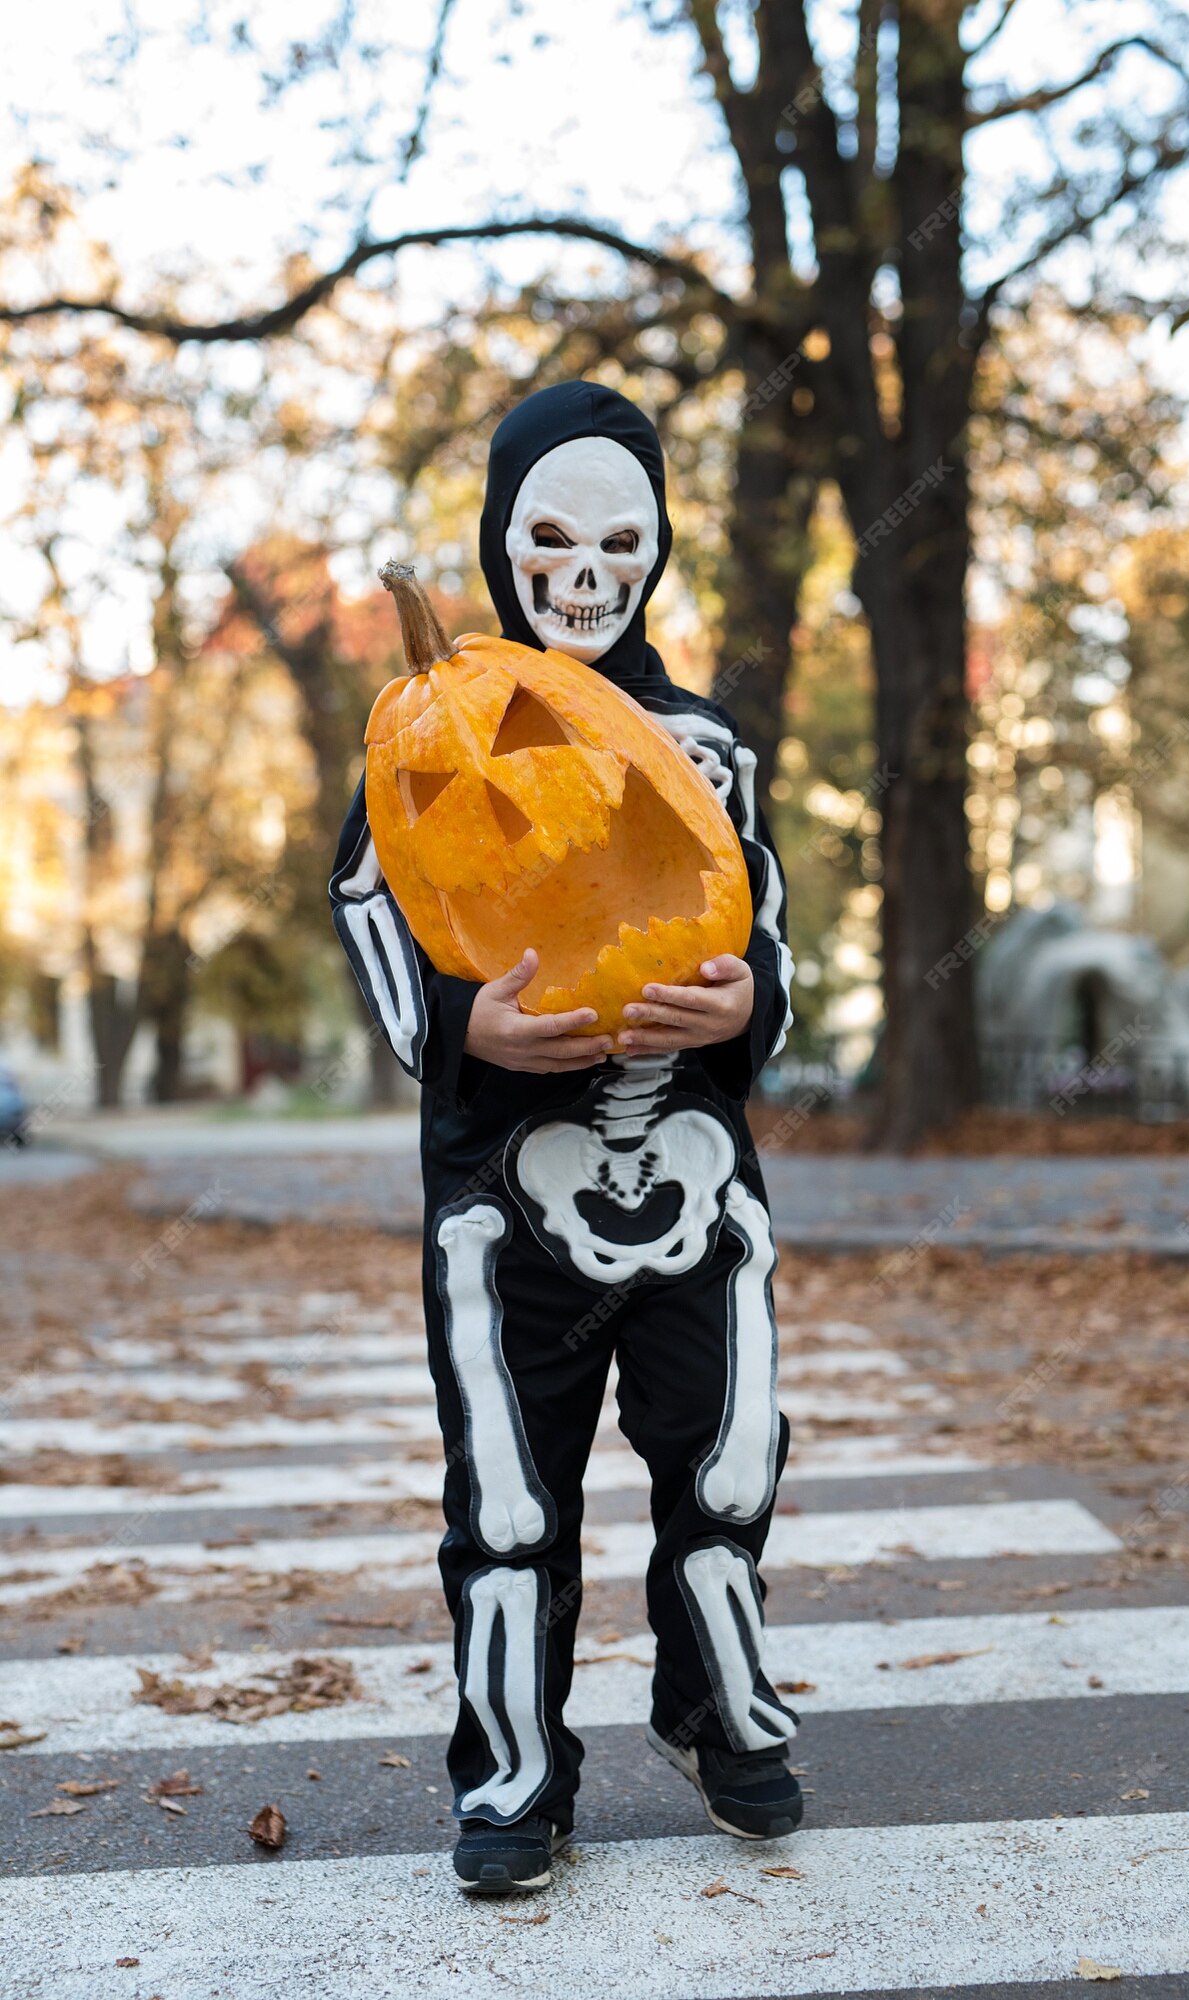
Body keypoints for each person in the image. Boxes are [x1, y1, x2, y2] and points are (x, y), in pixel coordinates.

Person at [330, 381, 801, 1895]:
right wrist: (461, 1026)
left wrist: (741, 1005)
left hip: (695, 1177)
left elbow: (767, 928)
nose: (583, 570)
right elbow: (371, 904)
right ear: (500, 541)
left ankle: (711, 1704)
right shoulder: (429, 729)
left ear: (656, 547)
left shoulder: (707, 744)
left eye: (617, 537)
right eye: (547, 536)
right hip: (498, 1196)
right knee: (510, 1497)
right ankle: (513, 1772)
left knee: (723, 1468)